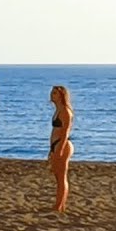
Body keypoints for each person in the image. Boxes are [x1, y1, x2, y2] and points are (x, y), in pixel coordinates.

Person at [47, 85, 75, 213]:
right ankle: (60, 204)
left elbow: (65, 132)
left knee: (62, 176)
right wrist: (51, 150)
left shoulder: (65, 111)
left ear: (61, 96)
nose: (52, 95)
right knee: (57, 176)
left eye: (55, 93)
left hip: (62, 144)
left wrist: (60, 150)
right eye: (52, 93)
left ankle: (59, 205)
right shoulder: (57, 110)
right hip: (55, 144)